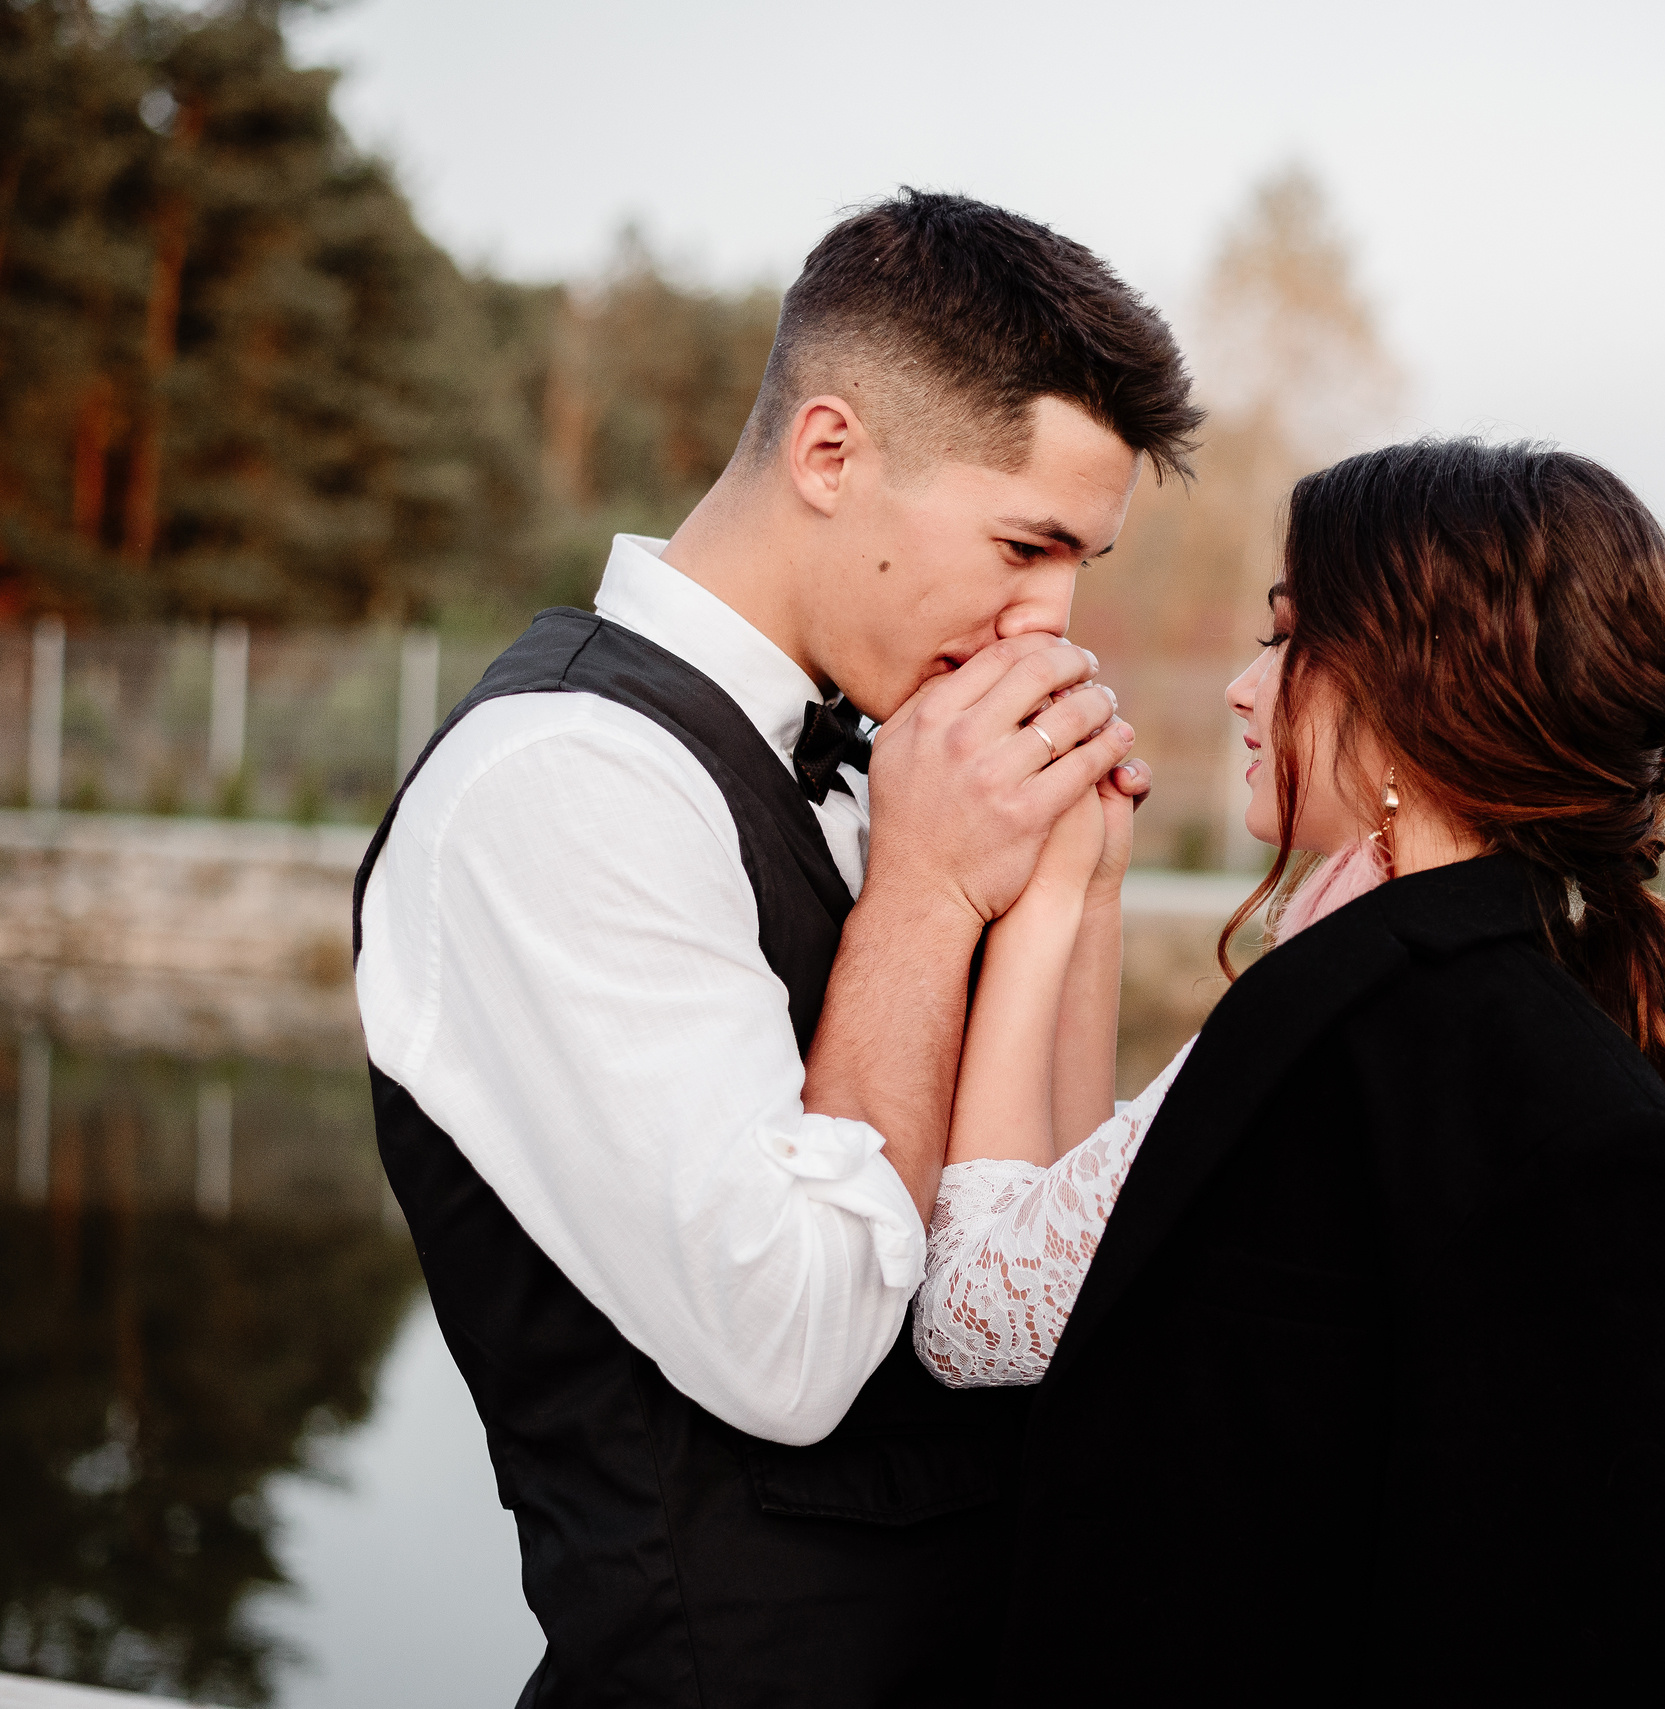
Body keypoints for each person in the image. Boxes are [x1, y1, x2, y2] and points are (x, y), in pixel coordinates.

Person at [352, 190, 1200, 1705]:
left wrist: (1074, 895)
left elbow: (1019, 1273)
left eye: (1080, 564)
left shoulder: (894, 758)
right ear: (828, 453)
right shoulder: (554, 785)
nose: (1049, 624)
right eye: (1025, 545)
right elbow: (792, 1346)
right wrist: (925, 895)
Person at [914, 438, 1665, 1700]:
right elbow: (1090, 1273)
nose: (1242, 688)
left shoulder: (1354, 1017)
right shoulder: (1423, 1003)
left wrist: (1025, 901)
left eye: (1285, 639)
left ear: (1408, 696)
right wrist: (1080, 893)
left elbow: (974, 1310)